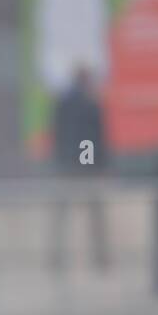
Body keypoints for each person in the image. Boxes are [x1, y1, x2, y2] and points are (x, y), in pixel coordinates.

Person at [49, 64, 110, 270]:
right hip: (86, 167)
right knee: (95, 217)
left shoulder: (63, 103)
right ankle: (100, 259)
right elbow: (94, 139)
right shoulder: (91, 104)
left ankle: (56, 260)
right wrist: (92, 162)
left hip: (67, 166)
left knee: (60, 216)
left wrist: (63, 159)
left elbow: (57, 135)